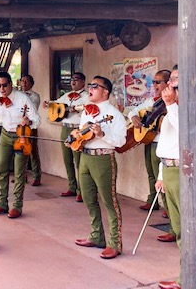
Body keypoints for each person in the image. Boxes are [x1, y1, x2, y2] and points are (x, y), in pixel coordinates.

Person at [72, 75, 127, 260]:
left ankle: (115, 243)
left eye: (95, 86)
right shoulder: (87, 111)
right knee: (88, 198)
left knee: (109, 201)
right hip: (85, 157)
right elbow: (82, 134)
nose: (90, 88)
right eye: (90, 85)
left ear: (105, 91)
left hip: (103, 158)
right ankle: (96, 236)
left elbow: (120, 141)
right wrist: (74, 140)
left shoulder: (115, 114)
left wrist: (102, 134)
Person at [128, 69, 176, 242]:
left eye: (157, 82)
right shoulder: (151, 101)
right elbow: (133, 111)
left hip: (163, 146)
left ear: (167, 83)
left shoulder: (170, 103)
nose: (154, 86)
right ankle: (153, 201)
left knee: (163, 183)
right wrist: (134, 119)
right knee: (152, 174)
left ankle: (172, 224)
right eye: (153, 82)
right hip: (149, 141)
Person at [0, 71, 41, 219]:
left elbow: (37, 119)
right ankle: (2, 203)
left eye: (4, 85)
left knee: (19, 172)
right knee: (2, 169)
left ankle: (17, 206)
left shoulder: (23, 98)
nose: (2, 89)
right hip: (5, 134)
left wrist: (28, 121)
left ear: (11, 84)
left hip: (21, 136)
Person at [45, 72, 89, 202]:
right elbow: (57, 104)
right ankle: (72, 186)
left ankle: (82, 190)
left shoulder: (86, 96)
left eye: (76, 79)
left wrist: (77, 108)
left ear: (83, 82)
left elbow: (88, 107)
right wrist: (49, 103)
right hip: (65, 127)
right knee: (67, 159)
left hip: (77, 129)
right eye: (72, 79)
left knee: (79, 161)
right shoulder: (67, 95)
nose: (73, 82)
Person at [156, 68, 182, 289]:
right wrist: (161, 174)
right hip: (169, 168)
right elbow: (165, 145)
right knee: (177, 226)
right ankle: (186, 275)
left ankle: (188, 277)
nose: (170, 83)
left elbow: (187, 134)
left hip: (183, 172)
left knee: (185, 227)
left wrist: (172, 105)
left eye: (174, 79)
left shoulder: (186, 106)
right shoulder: (170, 108)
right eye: (171, 79)